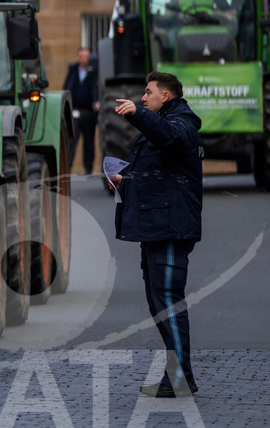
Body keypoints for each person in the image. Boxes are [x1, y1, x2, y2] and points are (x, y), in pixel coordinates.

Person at [109, 71, 202, 398]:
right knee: (159, 302)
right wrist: (126, 180)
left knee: (168, 301)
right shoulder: (163, 123)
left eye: (148, 93)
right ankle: (176, 377)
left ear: (166, 96)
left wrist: (139, 113)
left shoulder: (182, 122)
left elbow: (173, 139)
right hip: (158, 226)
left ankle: (180, 380)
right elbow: (160, 173)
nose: (143, 97)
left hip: (171, 227)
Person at [63, 47, 99, 175]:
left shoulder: (94, 72)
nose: (84, 60)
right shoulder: (73, 70)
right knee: (71, 141)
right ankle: (67, 168)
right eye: (82, 57)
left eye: (86, 57)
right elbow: (66, 87)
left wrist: (96, 101)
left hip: (89, 112)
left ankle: (88, 168)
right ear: (78, 58)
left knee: (89, 142)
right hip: (75, 111)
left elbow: (96, 88)